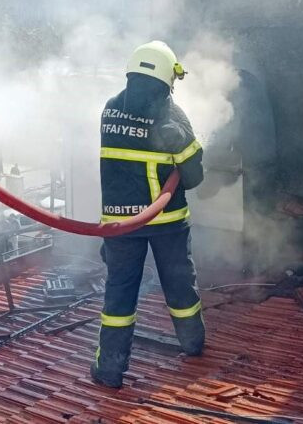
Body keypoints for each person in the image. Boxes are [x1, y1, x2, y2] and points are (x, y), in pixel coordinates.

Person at [91, 41, 205, 388]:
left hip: (119, 225)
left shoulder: (110, 108)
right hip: (166, 223)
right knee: (179, 285)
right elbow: (195, 177)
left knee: (119, 296)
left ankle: (110, 370)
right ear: (168, 78)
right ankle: (193, 343)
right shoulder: (171, 116)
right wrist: (184, 145)